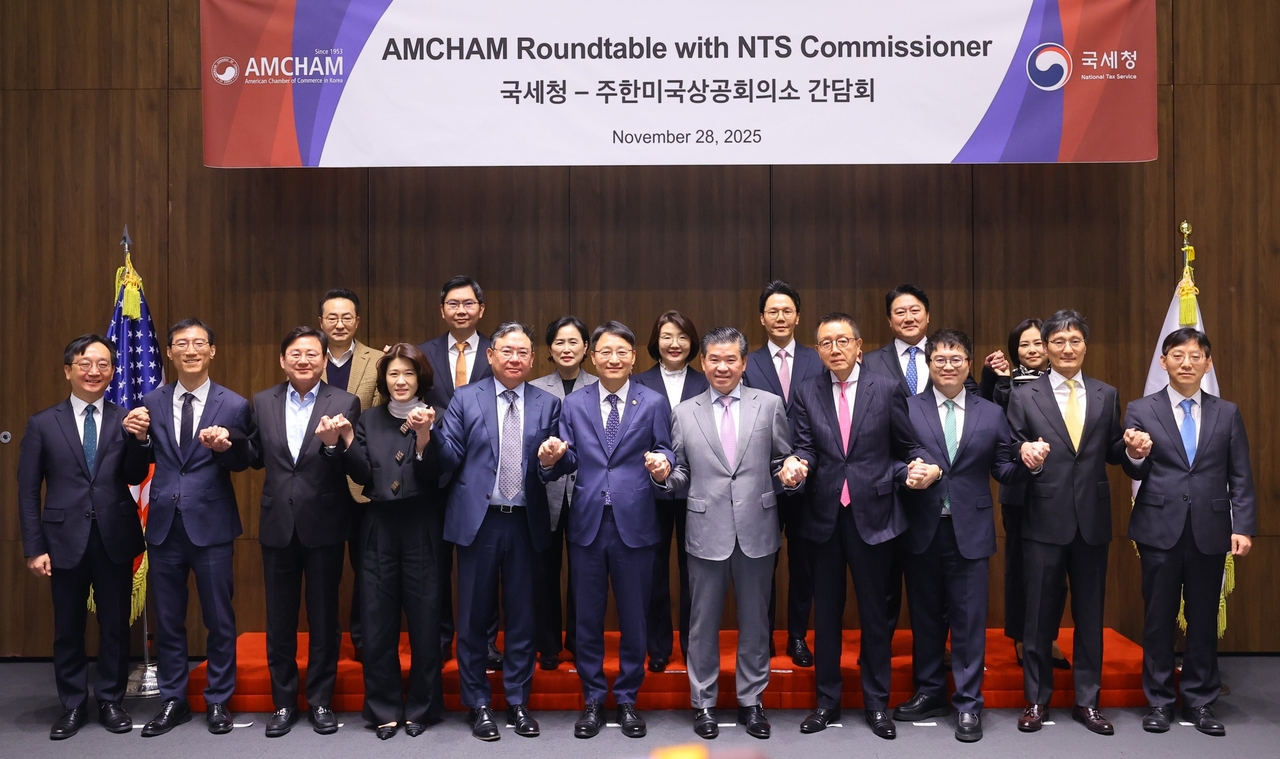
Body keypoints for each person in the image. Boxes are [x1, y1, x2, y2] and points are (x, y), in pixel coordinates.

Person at [789, 313, 927, 740]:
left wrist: (915, 467)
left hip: (876, 516)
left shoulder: (886, 388)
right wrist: (798, 465)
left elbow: (907, 445)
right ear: (817, 350)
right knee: (826, 615)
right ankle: (827, 703)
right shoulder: (806, 390)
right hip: (824, 517)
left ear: (859, 344)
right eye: (826, 342)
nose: (835, 349)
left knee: (875, 617)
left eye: (842, 340)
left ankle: (876, 705)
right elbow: (804, 447)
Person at [893, 329, 1030, 743]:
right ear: (929, 365)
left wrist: (1027, 464)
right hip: (922, 527)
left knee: (970, 622)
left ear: (968, 364)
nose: (948, 366)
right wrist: (907, 474)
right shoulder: (908, 409)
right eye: (940, 360)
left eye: (956, 359)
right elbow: (892, 460)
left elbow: (1003, 467)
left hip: (970, 529)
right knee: (926, 616)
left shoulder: (990, 412)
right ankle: (931, 691)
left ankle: (969, 704)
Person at [539, 321, 674, 739]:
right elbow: (567, 459)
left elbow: (667, 447)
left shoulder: (652, 403)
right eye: (605, 352)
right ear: (592, 358)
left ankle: (629, 698)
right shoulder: (575, 404)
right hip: (588, 523)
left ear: (633, 357)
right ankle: (594, 698)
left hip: (635, 522)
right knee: (588, 618)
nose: (613, 359)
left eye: (622, 352)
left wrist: (663, 463)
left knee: (635, 617)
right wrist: (550, 457)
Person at [664, 326, 800, 741]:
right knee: (701, 624)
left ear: (743, 363)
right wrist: (664, 475)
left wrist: (791, 475)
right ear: (702, 362)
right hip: (705, 529)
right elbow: (682, 476)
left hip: (757, 529)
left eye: (731, 360)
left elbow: (781, 461)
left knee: (756, 622)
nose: (722, 367)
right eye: (714, 360)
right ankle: (703, 703)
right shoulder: (684, 412)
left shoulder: (770, 405)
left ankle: (751, 700)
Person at [1121, 328, 1256, 736]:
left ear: (1207, 363)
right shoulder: (1141, 409)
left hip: (1212, 529)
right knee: (1158, 618)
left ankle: (1200, 702)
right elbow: (1132, 469)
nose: (1186, 362)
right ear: (1163, 362)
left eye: (1195, 356)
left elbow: (1241, 475)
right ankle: (1159, 702)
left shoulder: (1227, 412)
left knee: (1202, 619)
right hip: (1158, 528)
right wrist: (1135, 452)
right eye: (1177, 355)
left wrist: (1244, 526)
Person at [123, 318, 253, 737]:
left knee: (219, 617)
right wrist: (138, 441)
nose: (191, 350)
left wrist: (225, 447)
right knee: (169, 618)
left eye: (200, 343)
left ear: (212, 351)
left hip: (211, 523)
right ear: (170, 352)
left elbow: (245, 461)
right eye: (182, 343)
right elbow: (137, 466)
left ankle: (218, 700)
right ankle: (174, 700)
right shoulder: (151, 400)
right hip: (163, 526)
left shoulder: (233, 404)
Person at [1007, 309, 1134, 735]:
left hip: (1093, 520)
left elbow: (1113, 449)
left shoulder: (1106, 393)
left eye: (1074, 341)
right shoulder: (1024, 396)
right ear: (1045, 348)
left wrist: (1133, 448)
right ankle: (1037, 700)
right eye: (1057, 342)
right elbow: (1010, 450)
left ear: (1085, 345)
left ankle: (1087, 701)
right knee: (1039, 616)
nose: (1066, 349)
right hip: (1042, 516)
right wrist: (1026, 456)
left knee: (1090, 615)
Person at [18, 335, 150, 739]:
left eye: (104, 364)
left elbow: (133, 475)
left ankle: (110, 700)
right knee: (68, 628)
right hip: (62, 541)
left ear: (113, 372)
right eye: (85, 363)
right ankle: (73, 704)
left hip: (114, 536)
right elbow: (27, 490)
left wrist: (140, 440)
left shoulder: (125, 417)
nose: (95, 371)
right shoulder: (43, 423)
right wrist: (34, 547)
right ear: (68, 370)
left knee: (114, 625)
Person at [436, 322, 560, 742]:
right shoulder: (464, 398)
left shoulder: (547, 403)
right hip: (480, 521)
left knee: (523, 617)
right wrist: (425, 435)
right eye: (506, 351)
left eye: (522, 352)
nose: (514, 359)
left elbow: (557, 465)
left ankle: (518, 701)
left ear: (532, 358)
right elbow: (447, 455)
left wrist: (551, 460)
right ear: (490, 355)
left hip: (526, 521)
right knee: (472, 618)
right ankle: (479, 705)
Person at [247, 327, 362, 737]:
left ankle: (319, 701)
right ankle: (282, 703)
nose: (304, 360)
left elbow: (352, 464)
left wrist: (333, 445)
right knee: (279, 621)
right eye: (295, 353)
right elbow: (254, 455)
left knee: (324, 618)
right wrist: (227, 444)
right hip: (277, 524)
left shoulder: (345, 401)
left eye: (312, 353)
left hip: (325, 525)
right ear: (283, 360)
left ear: (324, 360)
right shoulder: (262, 401)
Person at [339, 343, 445, 739]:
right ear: (383, 379)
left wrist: (423, 436)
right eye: (394, 374)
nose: (401, 382)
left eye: (409, 374)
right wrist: (349, 440)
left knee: (424, 622)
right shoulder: (367, 418)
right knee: (378, 623)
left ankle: (422, 708)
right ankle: (383, 709)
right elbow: (364, 476)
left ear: (421, 379)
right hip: (378, 526)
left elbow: (438, 474)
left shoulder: (438, 417)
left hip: (422, 527)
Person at [415, 275, 499, 668]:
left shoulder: (498, 352)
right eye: (453, 304)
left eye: (468, 303)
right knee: (436, 565)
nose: (461, 310)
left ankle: (484, 642)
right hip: (435, 474)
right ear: (442, 310)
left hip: (485, 475)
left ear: (481, 310)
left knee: (485, 565)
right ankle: (441, 640)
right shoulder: (423, 354)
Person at [743, 280, 825, 667]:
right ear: (762, 318)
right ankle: (763, 636)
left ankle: (796, 635)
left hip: (812, 478)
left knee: (804, 563)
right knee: (762, 562)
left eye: (786, 310)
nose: (780, 317)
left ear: (798, 316)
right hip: (762, 478)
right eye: (772, 311)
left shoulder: (817, 358)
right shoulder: (748, 363)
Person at [980, 318, 1070, 670]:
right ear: (1014, 350)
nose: (1032, 351)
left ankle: (1048, 636)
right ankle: (1020, 636)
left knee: (1056, 571)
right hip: (1020, 491)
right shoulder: (1006, 384)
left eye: (1037, 344)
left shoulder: (1064, 384)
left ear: (1048, 347)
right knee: (1020, 568)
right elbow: (988, 419)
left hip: (1061, 491)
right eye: (1024, 345)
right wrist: (996, 380)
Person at [632, 310, 708, 671]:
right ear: (655, 341)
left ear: (692, 342)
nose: (674, 343)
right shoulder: (637, 383)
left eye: (681, 336)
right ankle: (658, 646)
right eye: (667, 336)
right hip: (652, 491)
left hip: (699, 490)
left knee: (695, 572)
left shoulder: (707, 380)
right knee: (654, 571)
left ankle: (693, 645)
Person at [526, 316, 596, 671]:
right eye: (559, 342)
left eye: (574, 342)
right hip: (546, 492)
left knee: (584, 572)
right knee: (544, 569)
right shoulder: (534, 389)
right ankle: (548, 645)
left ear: (586, 348)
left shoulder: (601, 386)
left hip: (587, 492)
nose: (566, 349)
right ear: (549, 349)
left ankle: (581, 643)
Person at [317, 288, 384, 660]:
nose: (339, 324)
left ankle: (364, 640)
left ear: (357, 321)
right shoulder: (309, 358)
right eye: (332, 317)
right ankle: (327, 640)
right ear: (321, 322)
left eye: (347, 318)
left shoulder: (377, 361)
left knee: (367, 568)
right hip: (319, 479)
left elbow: (379, 419)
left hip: (361, 481)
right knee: (324, 570)